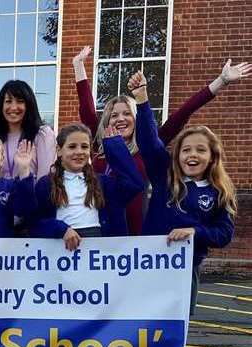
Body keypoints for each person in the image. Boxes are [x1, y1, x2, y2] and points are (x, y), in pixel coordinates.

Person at [72, 46, 251, 235]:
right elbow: (87, 111)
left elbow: (183, 113)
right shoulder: (100, 146)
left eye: (127, 113)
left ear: (136, 117)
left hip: (141, 233)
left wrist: (221, 81)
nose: (120, 119)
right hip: (106, 230)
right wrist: (78, 66)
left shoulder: (149, 146)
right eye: (114, 115)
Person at [132, 70, 235, 316]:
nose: (192, 155)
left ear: (212, 157)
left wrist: (195, 232)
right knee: (142, 327)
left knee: (176, 332)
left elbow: (224, 234)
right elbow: (148, 142)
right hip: (149, 265)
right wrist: (143, 100)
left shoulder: (219, 191)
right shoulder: (164, 176)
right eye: (186, 149)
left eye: (200, 150)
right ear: (177, 155)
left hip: (186, 271)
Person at [30, 123, 143, 250]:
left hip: (99, 252)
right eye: (72, 147)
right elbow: (34, 224)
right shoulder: (46, 184)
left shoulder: (103, 183)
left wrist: (114, 147)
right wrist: (61, 229)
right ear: (59, 150)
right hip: (61, 251)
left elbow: (134, 184)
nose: (79, 152)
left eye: (84, 147)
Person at [0, 80, 57, 181]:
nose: (13, 107)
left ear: (29, 105)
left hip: (32, 195)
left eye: (20, 101)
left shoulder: (42, 135)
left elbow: (45, 178)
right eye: (8, 101)